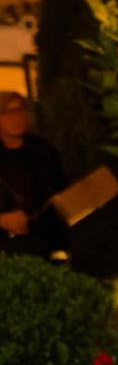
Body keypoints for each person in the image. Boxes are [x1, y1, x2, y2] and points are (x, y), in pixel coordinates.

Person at [0, 85, 66, 249]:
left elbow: (60, 188)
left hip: (47, 239)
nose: (18, 117)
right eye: (10, 112)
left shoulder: (43, 150)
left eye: (21, 110)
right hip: (7, 246)